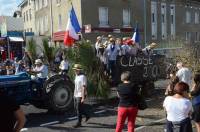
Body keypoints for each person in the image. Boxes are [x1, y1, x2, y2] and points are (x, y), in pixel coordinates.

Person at [72, 64, 90, 128]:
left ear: (79, 70)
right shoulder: (76, 76)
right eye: (74, 70)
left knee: (78, 109)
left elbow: (83, 87)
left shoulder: (83, 77)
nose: (75, 71)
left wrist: (82, 98)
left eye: (76, 70)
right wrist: (74, 95)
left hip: (81, 94)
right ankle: (87, 115)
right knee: (77, 108)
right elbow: (75, 86)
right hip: (76, 94)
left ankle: (79, 123)